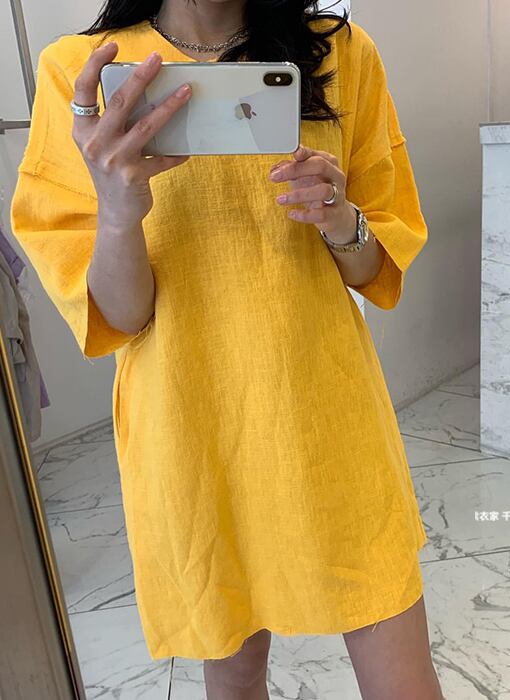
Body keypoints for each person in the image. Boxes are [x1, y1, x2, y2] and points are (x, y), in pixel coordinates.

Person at [11, 1, 442, 698]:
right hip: (191, 425)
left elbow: (373, 268)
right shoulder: (81, 72)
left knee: (399, 667)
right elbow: (122, 315)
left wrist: (340, 218)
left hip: (327, 415)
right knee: (234, 673)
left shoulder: (339, 51)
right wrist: (118, 211)